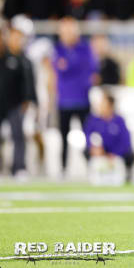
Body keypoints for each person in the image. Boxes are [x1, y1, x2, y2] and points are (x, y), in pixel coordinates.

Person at [53, 17, 97, 173]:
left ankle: (92, 165)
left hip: (82, 98)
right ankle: (63, 168)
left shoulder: (84, 48)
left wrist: (70, 65)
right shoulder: (58, 49)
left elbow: (92, 69)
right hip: (64, 100)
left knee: (89, 135)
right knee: (63, 136)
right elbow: (60, 68)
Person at [0, 16, 37, 177]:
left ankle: (19, 167)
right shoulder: (3, 56)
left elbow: (29, 83)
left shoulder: (25, 60)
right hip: (1, 102)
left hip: (16, 104)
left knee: (18, 136)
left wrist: (29, 100)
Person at [84, 89, 134, 178]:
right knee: (85, 151)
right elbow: (87, 135)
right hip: (100, 151)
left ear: (110, 105)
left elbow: (125, 140)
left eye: (103, 103)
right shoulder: (93, 120)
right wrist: (93, 147)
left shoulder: (119, 120)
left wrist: (115, 153)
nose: (100, 106)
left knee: (130, 155)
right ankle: (92, 174)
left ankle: (127, 175)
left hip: (115, 153)